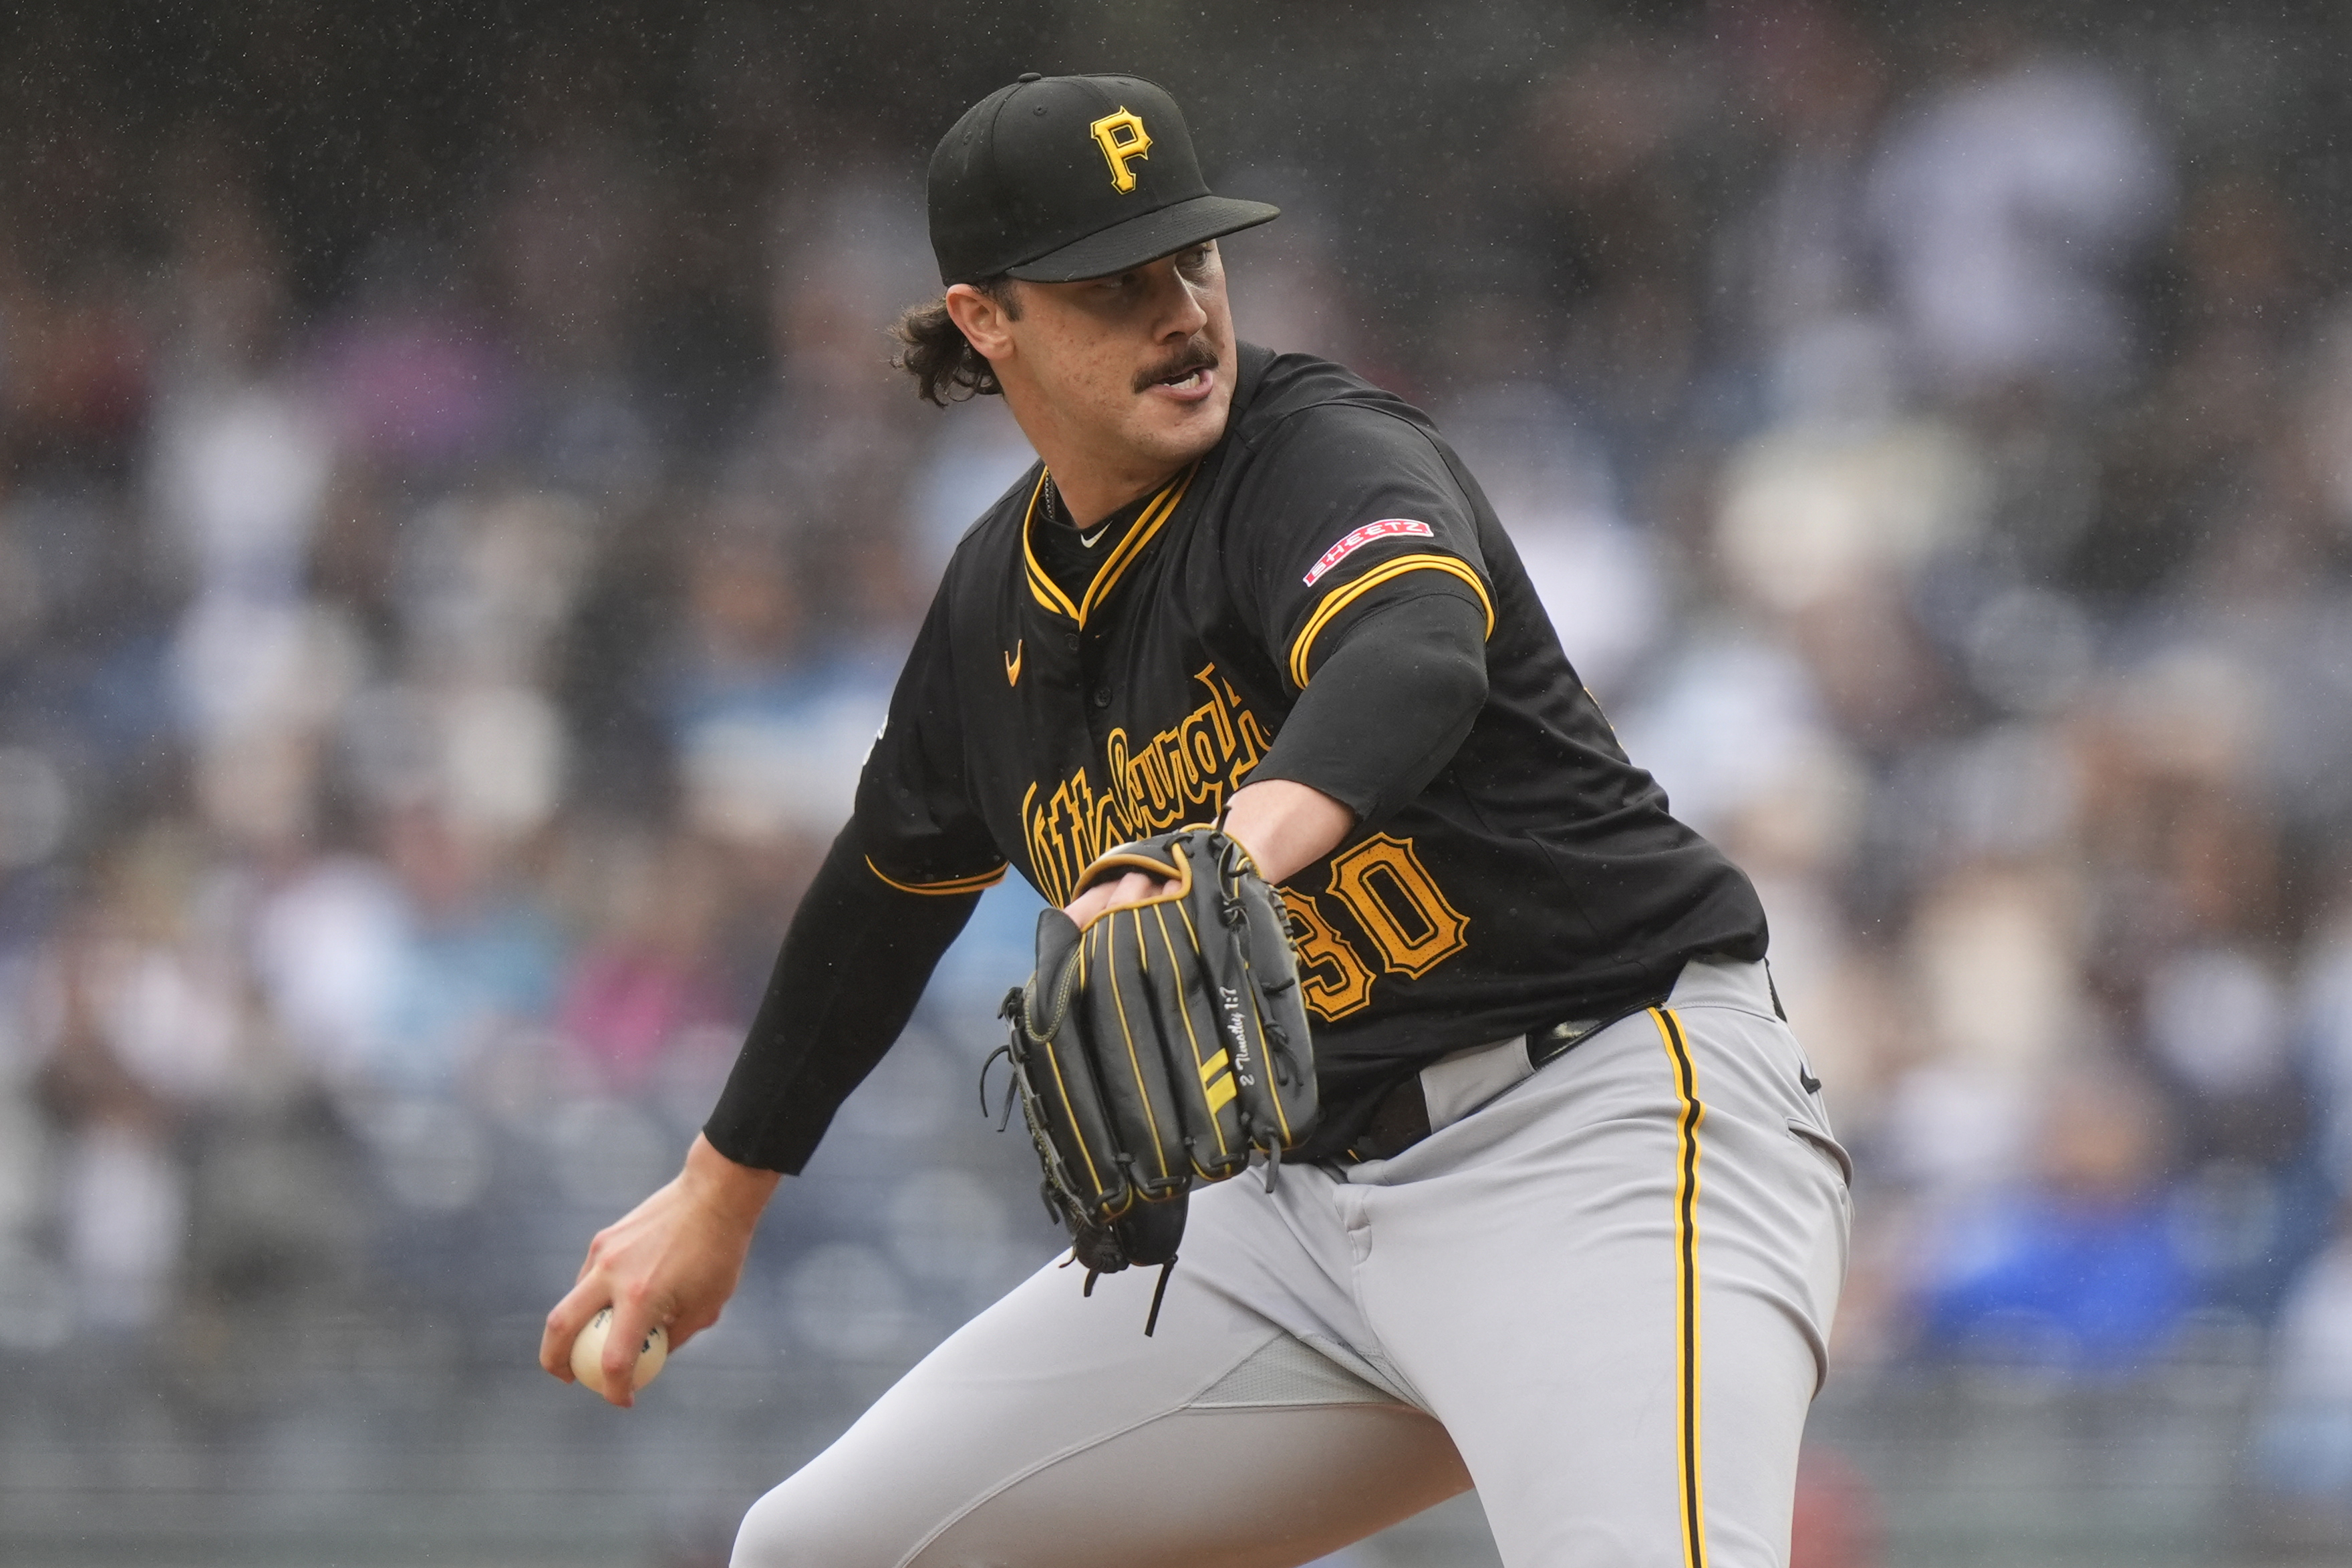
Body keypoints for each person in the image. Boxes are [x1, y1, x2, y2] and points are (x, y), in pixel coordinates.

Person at [543, 72, 1851, 1568]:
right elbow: (884, 893)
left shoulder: (1316, 456)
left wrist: (1227, 852)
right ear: (985, 319)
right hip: (1300, 1223)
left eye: (1194, 259)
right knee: (818, 1553)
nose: (1179, 313)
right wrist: (720, 1196)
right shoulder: (993, 608)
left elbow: (1415, 651)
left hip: (1601, 1132)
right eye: (1114, 283)